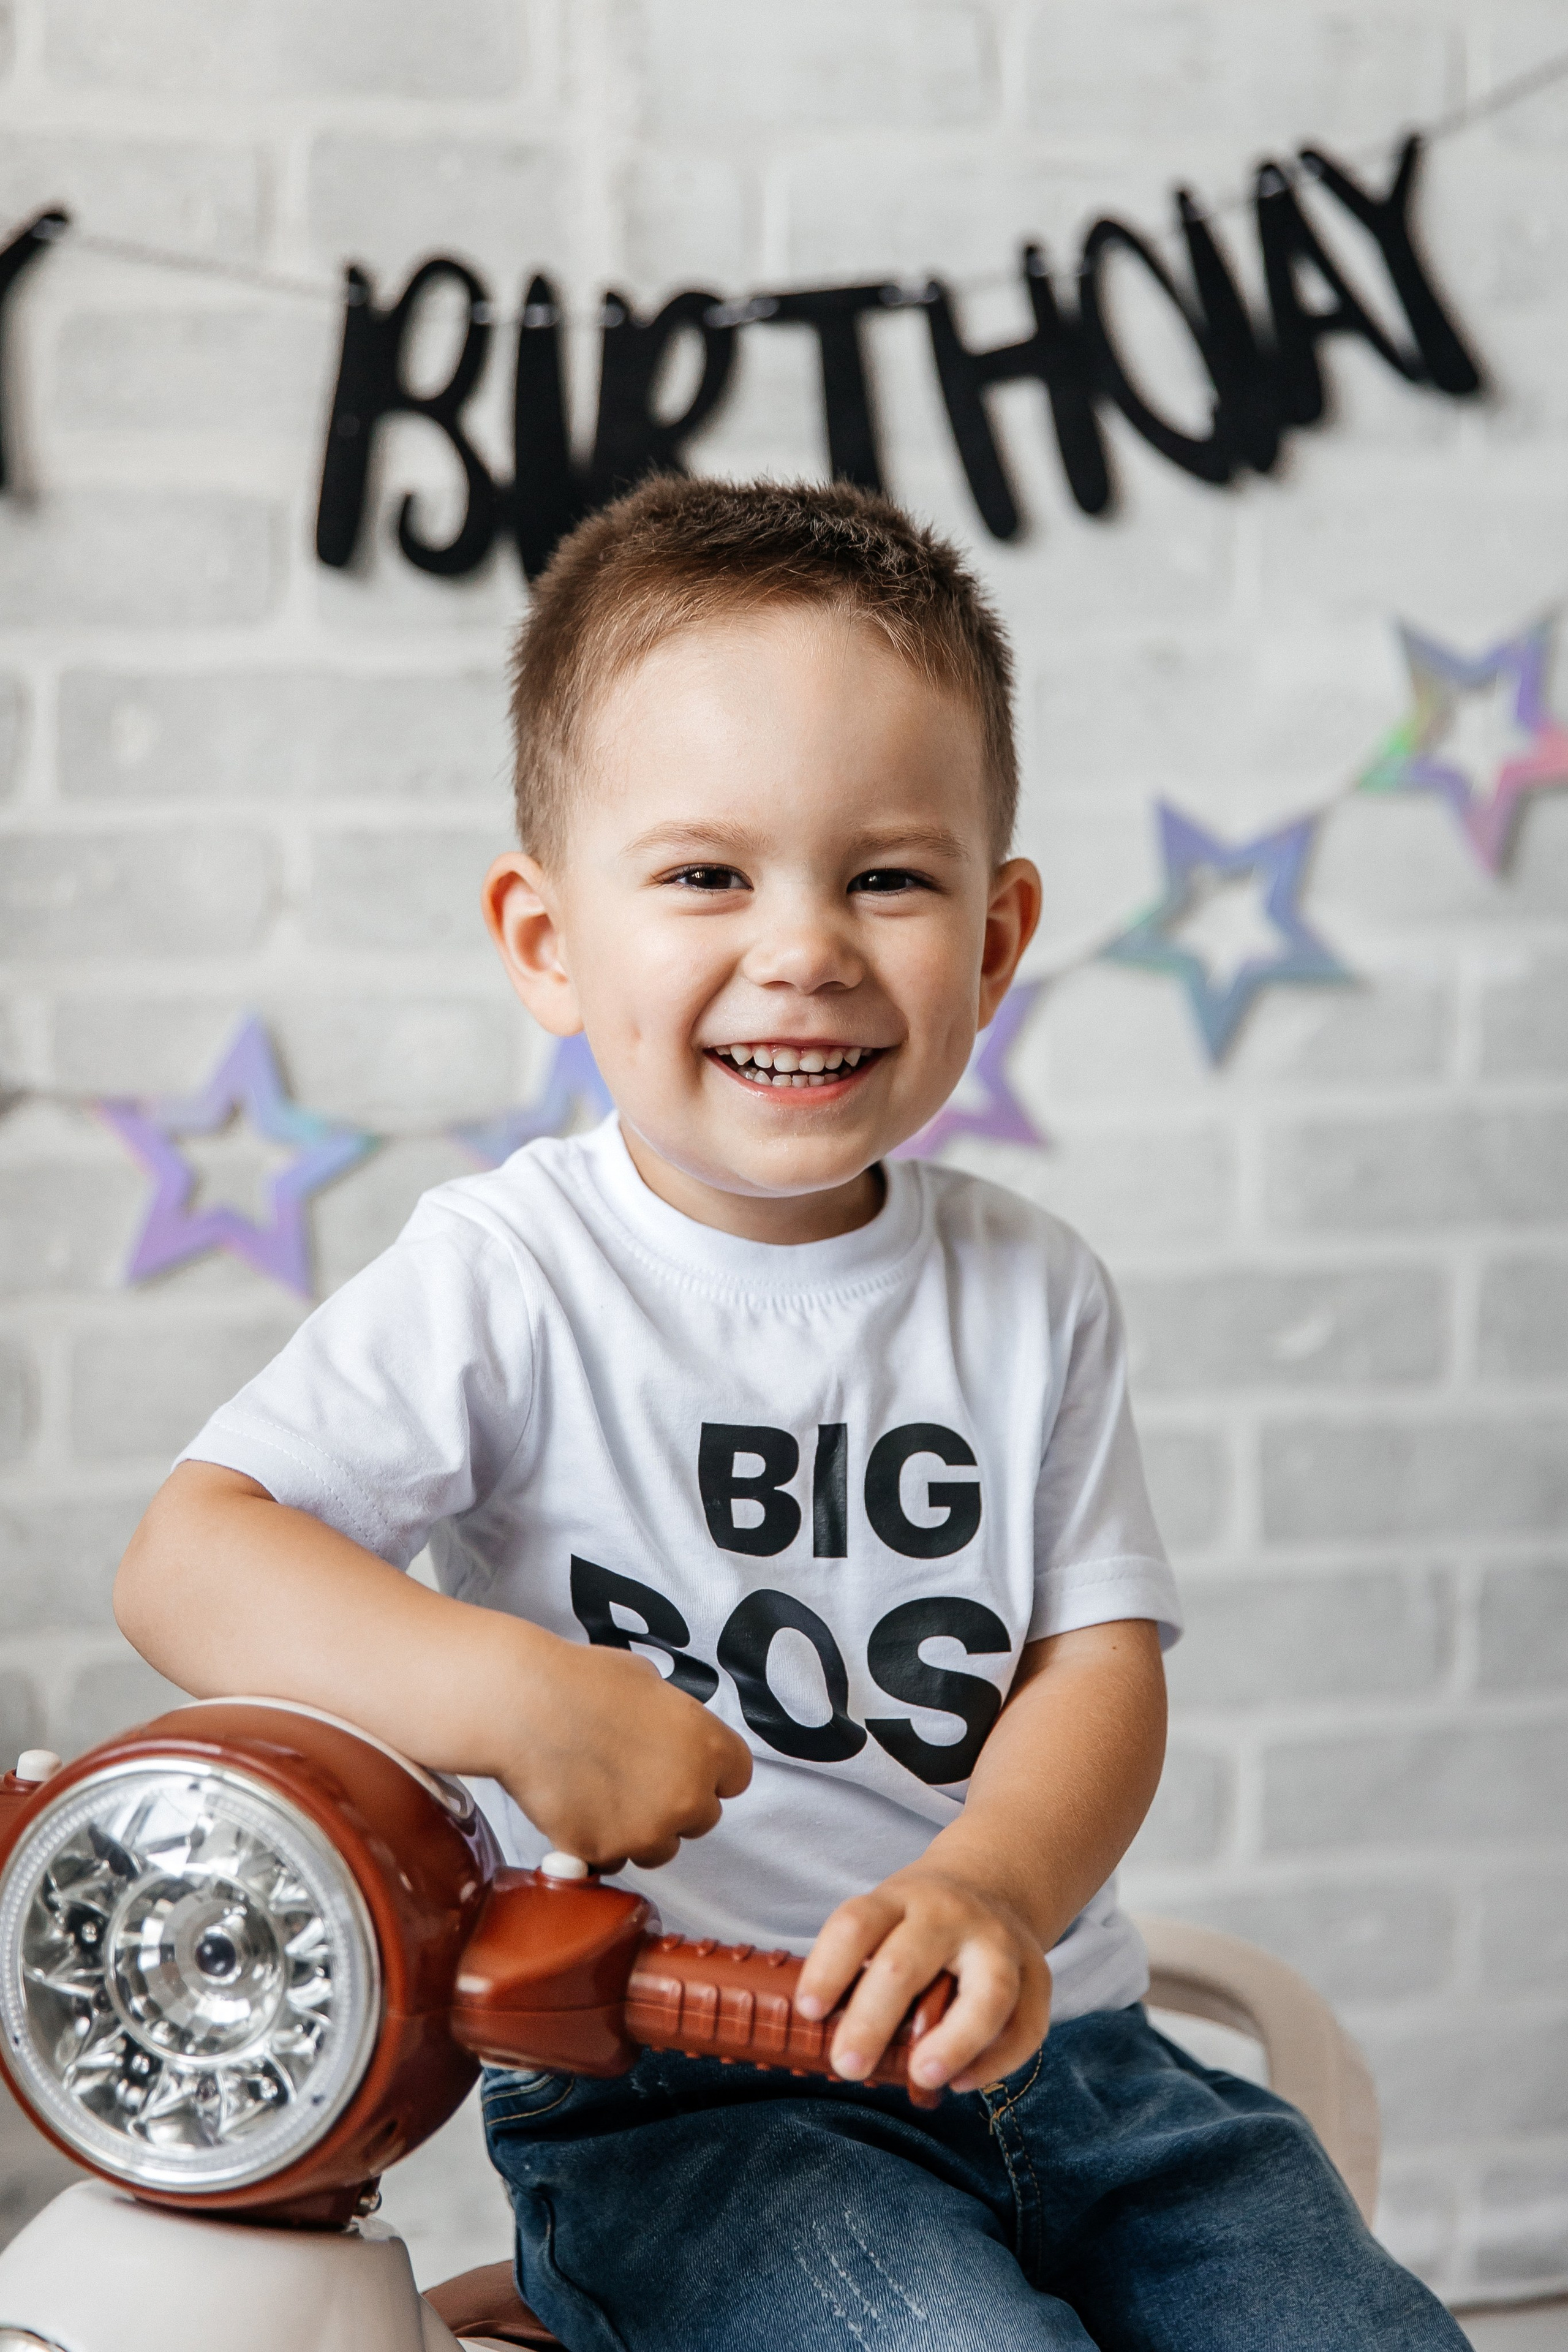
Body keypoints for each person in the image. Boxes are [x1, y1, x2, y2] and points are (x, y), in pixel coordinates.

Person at [115, 478, 1465, 2350]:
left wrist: (990, 1880)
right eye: (705, 875)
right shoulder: (510, 1272)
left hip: (1076, 2061)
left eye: (887, 876)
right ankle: (604, 2283)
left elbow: (1099, 1670)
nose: (807, 945)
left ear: (995, 943)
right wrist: (516, 1695)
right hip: (694, 2099)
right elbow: (192, 1556)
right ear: (546, 940)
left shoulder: (1030, 1288)